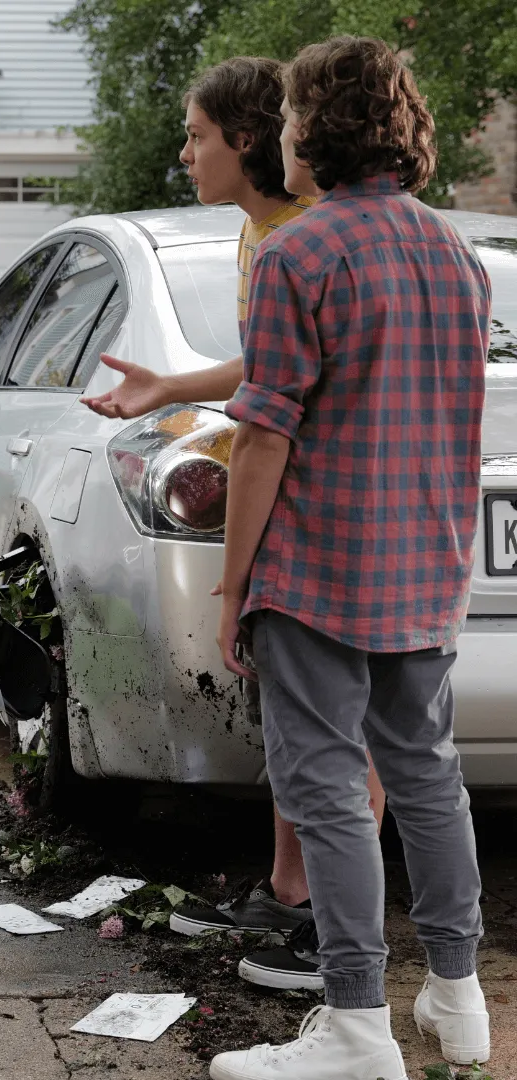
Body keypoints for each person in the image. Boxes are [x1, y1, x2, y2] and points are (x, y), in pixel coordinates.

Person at [207, 37, 491, 1079]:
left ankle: (359, 1029)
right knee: (427, 780)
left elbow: (265, 437)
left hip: (320, 570)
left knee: (326, 791)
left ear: (315, 128)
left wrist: (236, 586)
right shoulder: (452, 253)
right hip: (425, 564)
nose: (281, 134)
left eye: (287, 117)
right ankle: (460, 1005)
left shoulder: (298, 254)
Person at [82, 56, 385, 990]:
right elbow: (265, 363)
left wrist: (236, 577)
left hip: (330, 515)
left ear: (247, 139)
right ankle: (290, 893)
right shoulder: (260, 234)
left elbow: (270, 422)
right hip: (298, 511)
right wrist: (174, 385)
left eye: (198, 135)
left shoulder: (305, 235)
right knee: (297, 722)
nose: (185, 154)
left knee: (346, 736)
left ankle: (334, 935)